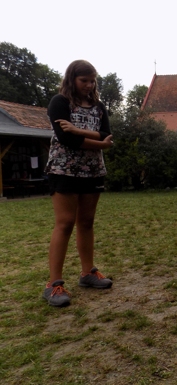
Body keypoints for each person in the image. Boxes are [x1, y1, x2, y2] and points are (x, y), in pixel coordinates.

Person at [43, 60, 114, 307]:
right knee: (64, 223)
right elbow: (66, 139)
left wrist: (77, 129)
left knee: (86, 222)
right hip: (64, 170)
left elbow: (107, 134)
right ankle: (54, 285)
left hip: (93, 171)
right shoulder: (59, 103)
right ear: (72, 79)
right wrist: (100, 144)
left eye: (92, 80)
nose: (89, 85)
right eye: (84, 80)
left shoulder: (99, 106)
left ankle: (87, 274)